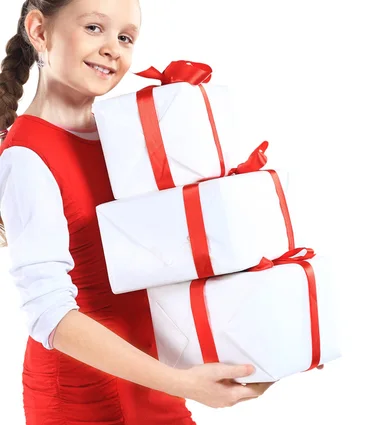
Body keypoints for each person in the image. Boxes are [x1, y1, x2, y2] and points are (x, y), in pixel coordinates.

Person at [0, 0, 276, 423]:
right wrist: (182, 383)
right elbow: (47, 312)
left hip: (152, 377)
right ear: (39, 30)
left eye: (126, 37)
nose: (113, 48)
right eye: (95, 28)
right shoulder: (25, 157)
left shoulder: (125, 137)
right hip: (86, 395)